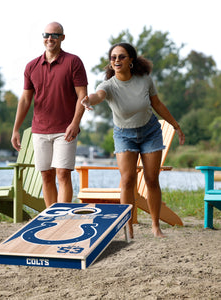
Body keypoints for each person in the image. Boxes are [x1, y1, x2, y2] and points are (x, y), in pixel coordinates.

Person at [81, 43, 185, 238]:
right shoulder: (108, 85)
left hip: (150, 132)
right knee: (127, 179)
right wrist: (88, 100)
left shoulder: (144, 80)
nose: (117, 60)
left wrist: (175, 125)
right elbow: (98, 96)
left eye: (121, 57)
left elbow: (157, 104)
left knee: (151, 179)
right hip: (124, 135)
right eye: (113, 58)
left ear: (130, 60)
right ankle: (128, 227)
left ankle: (155, 226)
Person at [11, 22, 88, 208]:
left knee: (62, 173)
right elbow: (25, 100)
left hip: (65, 129)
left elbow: (82, 96)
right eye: (46, 34)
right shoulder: (32, 66)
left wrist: (75, 123)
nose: (50, 38)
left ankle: (63, 218)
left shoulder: (73, 62)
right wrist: (15, 130)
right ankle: (51, 218)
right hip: (40, 130)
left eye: (55, 35)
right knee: (46, 175)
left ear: (62, 37)